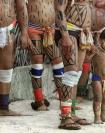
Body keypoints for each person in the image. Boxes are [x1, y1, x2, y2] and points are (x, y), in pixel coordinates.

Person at [25, 0, 80, 130]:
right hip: (33, 28)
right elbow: (22, 8)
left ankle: (63, 97)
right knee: (37, 63)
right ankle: (39, 100)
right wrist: (24, 33)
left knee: (58, 62)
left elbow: (60, 9)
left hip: (50, 29)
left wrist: (63, 32)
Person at [54, 0, 92, 127]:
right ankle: (65, 117)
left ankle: (72, 113)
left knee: (76, 74)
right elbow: (59, 9)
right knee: (70, 73)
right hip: (69, 31)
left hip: (81, 33)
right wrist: (64, 35)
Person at [0, 0, 28, 116]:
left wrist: (24, 33)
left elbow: (21, 7)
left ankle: (3, 107)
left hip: (7, 28)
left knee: (6, 67)